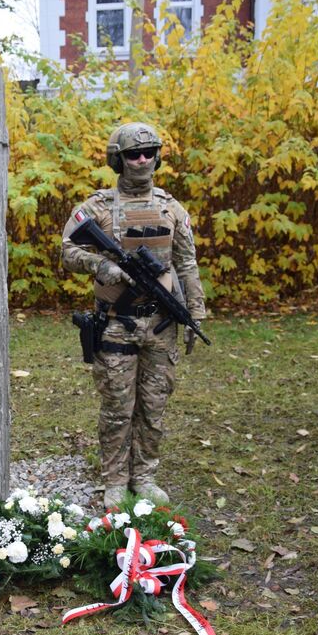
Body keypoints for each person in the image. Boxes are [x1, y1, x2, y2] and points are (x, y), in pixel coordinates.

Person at [61, 123, 207, 508]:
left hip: (161, 325)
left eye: (148, 152)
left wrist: (196, 312)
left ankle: (144, 476)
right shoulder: (97, 208)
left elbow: (186, 263)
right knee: (116, 407)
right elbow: (68, 252)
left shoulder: (171, 209)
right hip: (116, 325)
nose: (141, 160)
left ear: (158, 156)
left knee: (154, 407)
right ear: (118, 159)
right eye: (132, 154)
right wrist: (101, 267)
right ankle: (114, 480)